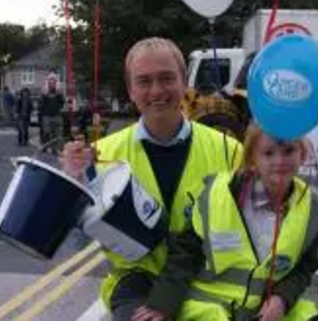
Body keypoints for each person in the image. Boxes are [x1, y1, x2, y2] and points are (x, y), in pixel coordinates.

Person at [61, 37, 243, 321]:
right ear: (131, 91)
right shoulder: (101, 155)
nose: (156, 90)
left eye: (166, 78)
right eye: (144, 81)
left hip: (210, 281)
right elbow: (78, 246)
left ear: (184, 83)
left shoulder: (229, 151)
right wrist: (74, 187)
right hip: (137, 285)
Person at [133, 123, 318, 321]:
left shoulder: (314, 208)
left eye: (289, 151)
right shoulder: (217, 196)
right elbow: (185, 255)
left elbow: (304, 267)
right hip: (211, 308)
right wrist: (162, 303)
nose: (280, 161)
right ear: (251, 159)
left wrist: (282, 299)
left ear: (303, 154)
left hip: (267, 311)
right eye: (268, 153)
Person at [39, 74, 65, 152]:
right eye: (50, 80)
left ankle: (54, 149)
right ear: (48, 81)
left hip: (56, 114)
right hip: (46, 115)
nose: (52, 82)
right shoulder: (44, 91)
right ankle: (45, 146)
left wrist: (59, 95)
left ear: (56, 82)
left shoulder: (59, 91)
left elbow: (62, 102)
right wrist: (44, 96)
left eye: (53, 80)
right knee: (46, 132)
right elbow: (40, 104)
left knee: (56, 133)